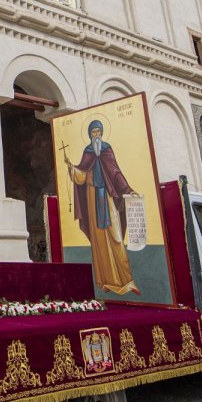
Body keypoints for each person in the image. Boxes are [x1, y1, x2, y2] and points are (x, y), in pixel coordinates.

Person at [65, 120, 140, 295]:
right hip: (92, 197)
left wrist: (128, 190)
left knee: (116, 236)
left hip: (107, 196)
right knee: (99, 241)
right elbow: (82, 176)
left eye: (98, 132)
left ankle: (127, 281)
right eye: (93, 133)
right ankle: (104, 281)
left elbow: (116, 172)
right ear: (90, 134)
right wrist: (72, 168)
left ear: (102, 133)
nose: (96, 135)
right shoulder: (88, 152)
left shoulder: (107, 149)